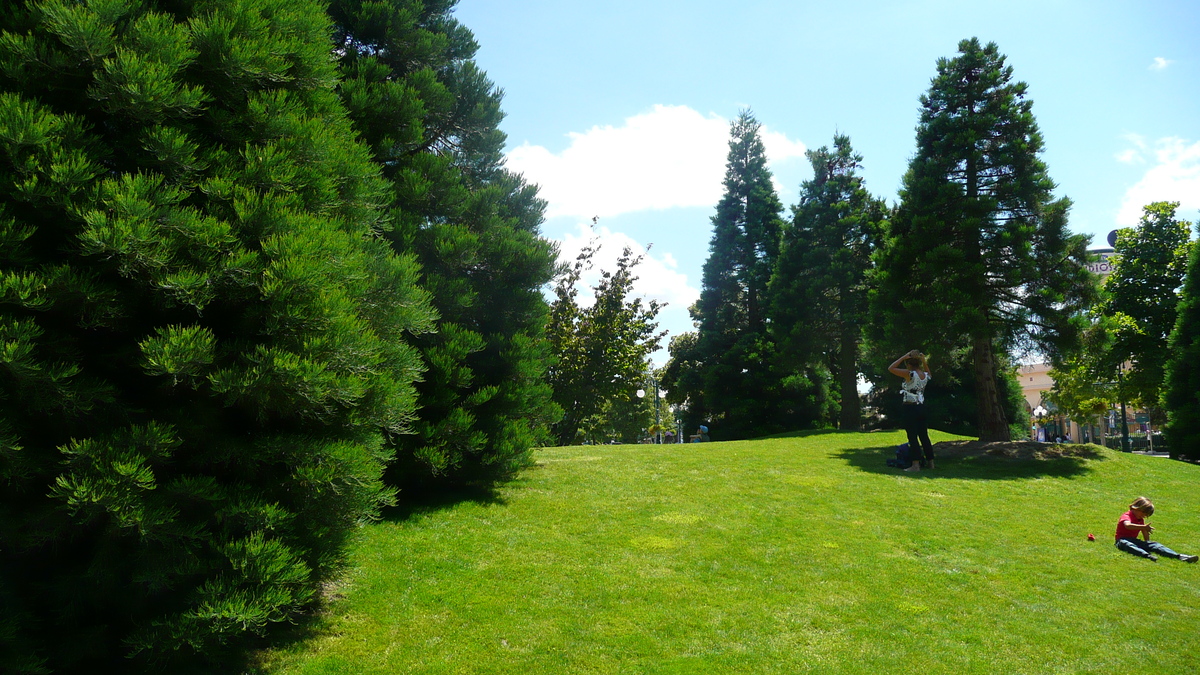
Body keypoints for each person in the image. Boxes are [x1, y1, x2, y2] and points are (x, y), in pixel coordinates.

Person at [1115, 496, 1199, 563]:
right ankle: (1147, 555)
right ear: (1136, 508)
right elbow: (1128, 525)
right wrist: (1143, 527)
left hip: (1134, 540)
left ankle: (1179, 556)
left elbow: (1144, 531)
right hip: (1121, 540)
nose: (1144, 516)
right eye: (1143, 513)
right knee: (1127, 545)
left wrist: (1147, 543)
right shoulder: (1127, 516)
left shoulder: (1140, 520)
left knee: (1155, 545)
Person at [889, 349, 933, 471]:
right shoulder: (924, 375)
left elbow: (891, 368)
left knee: (912, 436)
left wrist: (903, 357)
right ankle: (931, 462)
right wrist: (924, 362)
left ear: (909, 364)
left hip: (910, 407)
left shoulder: (910, 374)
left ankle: (915, 464)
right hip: (921, 407)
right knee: (924, 435)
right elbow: (929, 374)